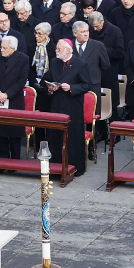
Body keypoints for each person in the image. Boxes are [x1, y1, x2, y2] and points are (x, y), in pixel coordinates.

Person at [44, 39, 92, 176]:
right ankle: (56, 166)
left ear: (68, 50)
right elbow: (46, 80)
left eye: (59, 49)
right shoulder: (54, 62)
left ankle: (75, 167)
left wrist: (72, 87)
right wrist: (50, 87)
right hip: (56, 105)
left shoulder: (80, 64)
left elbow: (86, 84)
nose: (56, 51)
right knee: (55, 137)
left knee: (72, 138)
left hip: (72, 106)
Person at [0, 36, 30, 159]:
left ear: (13, 49)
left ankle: (15, 161)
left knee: (14, 132)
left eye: (5, 48)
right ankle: (2, 160)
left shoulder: (23, 59)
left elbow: (21, 81)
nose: (2, 50)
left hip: (14, 100)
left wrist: (7, 94)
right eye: (1, 47)